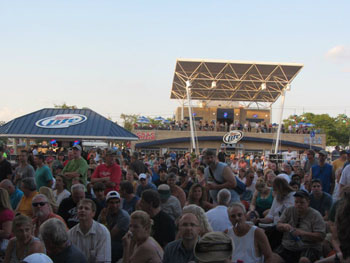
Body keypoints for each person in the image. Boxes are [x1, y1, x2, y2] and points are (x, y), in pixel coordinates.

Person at [276, 190, 326, 263]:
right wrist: (283, 226)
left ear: (308, 202)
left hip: (308, 246)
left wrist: (303, 233)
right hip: (288, 245)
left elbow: (321, 236)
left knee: (304, 260)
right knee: (272, 258)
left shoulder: (316, 215)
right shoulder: (289, 210)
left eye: (302, 202)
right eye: (296, 202)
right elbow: (278, 225)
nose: (298, 204)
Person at [68, 198, 111, 263]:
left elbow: (103, 261)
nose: (82, 210)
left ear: (93, 213)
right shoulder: (70, 233)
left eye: (86, 208)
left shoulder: (103, 232)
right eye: (80, 208)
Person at [98, 191, 130, 263]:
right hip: (108, 242)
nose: (115, 205)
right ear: (107, 203)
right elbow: (97, 230)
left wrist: (104, 222)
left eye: (117, 202)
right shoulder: (104, 212)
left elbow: (109, 236)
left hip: (121, 244)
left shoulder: (124, 216)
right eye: (112, 203)